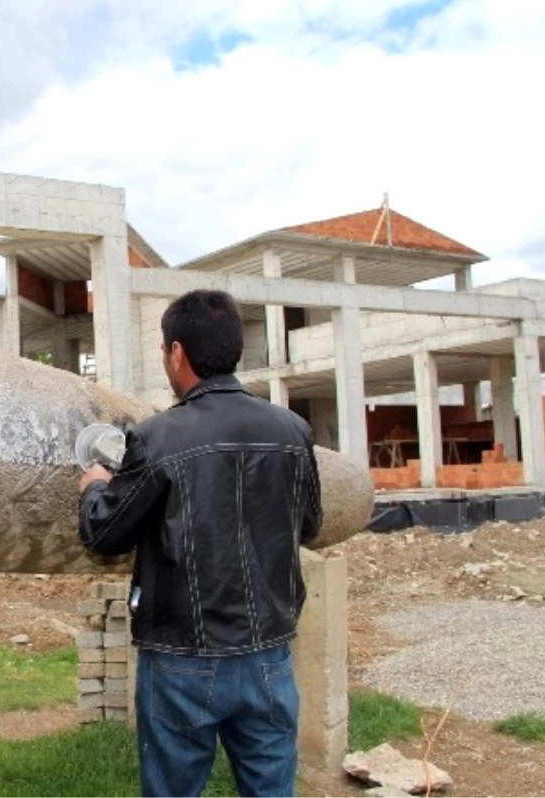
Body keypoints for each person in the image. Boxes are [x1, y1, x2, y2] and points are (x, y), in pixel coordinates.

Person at [78, 289, 322, 798]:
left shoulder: (158, 437)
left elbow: (105, 533)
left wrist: (95, 486)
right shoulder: (292, 431)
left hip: (181, 657)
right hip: (269, 654)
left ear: (177, 353)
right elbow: (309, 526)